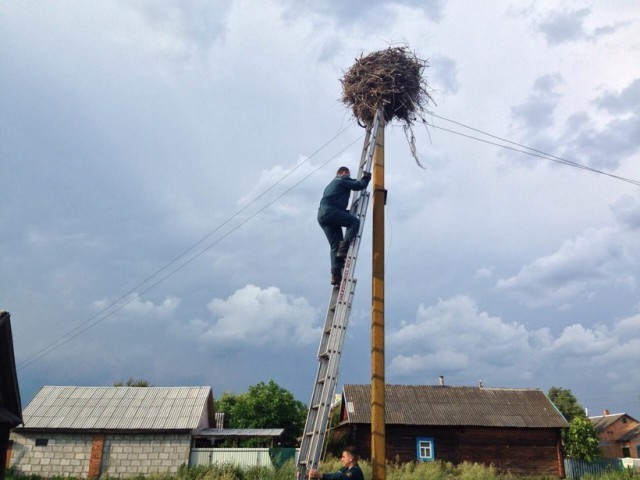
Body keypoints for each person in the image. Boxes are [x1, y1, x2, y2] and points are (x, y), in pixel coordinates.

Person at [318, 166, 371, 285]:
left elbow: (334, 202)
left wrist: (346, 213)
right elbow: (359, 185)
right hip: (330, 212)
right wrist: (366, 177)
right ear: (342, 172)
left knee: (334, 246)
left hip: (323, 215)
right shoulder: (342, 179)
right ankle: (344, 248)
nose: (348, 175)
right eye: (347, 173)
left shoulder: (331, 184)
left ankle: (336, 276)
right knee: (354, 222)